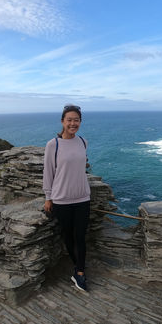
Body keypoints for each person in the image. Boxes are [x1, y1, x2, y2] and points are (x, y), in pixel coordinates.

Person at [42, 104, 91, 292]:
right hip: (61, 199)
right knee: (69, 237)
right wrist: (48, 197)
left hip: (82, 197)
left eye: (76, 120)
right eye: (69, 120)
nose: (73, 123)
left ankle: (79, 272)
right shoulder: (52, 145)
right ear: (62, 121)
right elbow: (49, 172)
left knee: (81, 236)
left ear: (80, 122)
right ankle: (78, 268)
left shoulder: (83, 142)